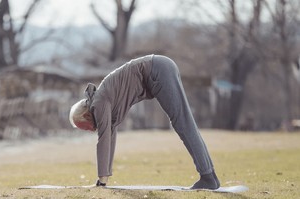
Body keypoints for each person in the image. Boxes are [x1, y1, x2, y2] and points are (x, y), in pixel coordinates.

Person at [69, 54, 220, 190]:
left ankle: (207, 176)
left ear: (86, 115)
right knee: (184, 122)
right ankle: (210, 177)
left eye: (84, 127)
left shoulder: (98, 103)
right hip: (161, 67)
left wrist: (102, 181)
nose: (88, 130)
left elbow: (103, 140)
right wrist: (104, 177)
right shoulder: (101, 102)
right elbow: (109, 135)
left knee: (183, 123)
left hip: (158, 70)